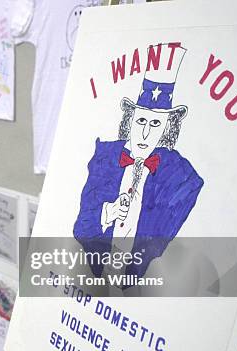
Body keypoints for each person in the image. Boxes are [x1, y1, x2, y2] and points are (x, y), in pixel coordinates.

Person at [74, 44, 203, 280]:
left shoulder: (181, 177)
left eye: (155, 124)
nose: (144, 134)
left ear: (167, 128)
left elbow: (165, 245)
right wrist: (107, 213)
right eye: (141, 120)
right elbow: (81, 226)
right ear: (129, 119)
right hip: (91, 280)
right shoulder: (105, 158)